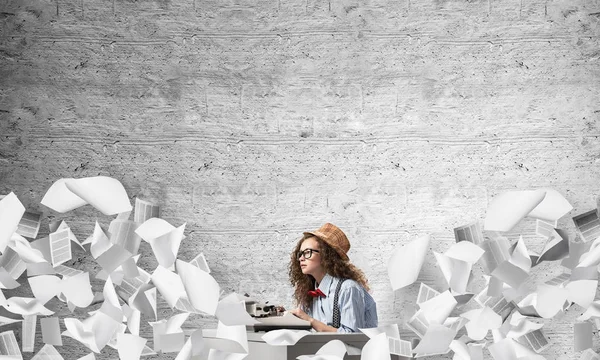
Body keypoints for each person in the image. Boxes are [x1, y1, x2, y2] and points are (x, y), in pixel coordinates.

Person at [288, 223, 378, 333]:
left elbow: (353, 337)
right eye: (300, 253)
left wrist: (311, 321)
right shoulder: (309, 293)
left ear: (326, 255)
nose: (301, 258)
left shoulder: (348, 288)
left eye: (307, 252)